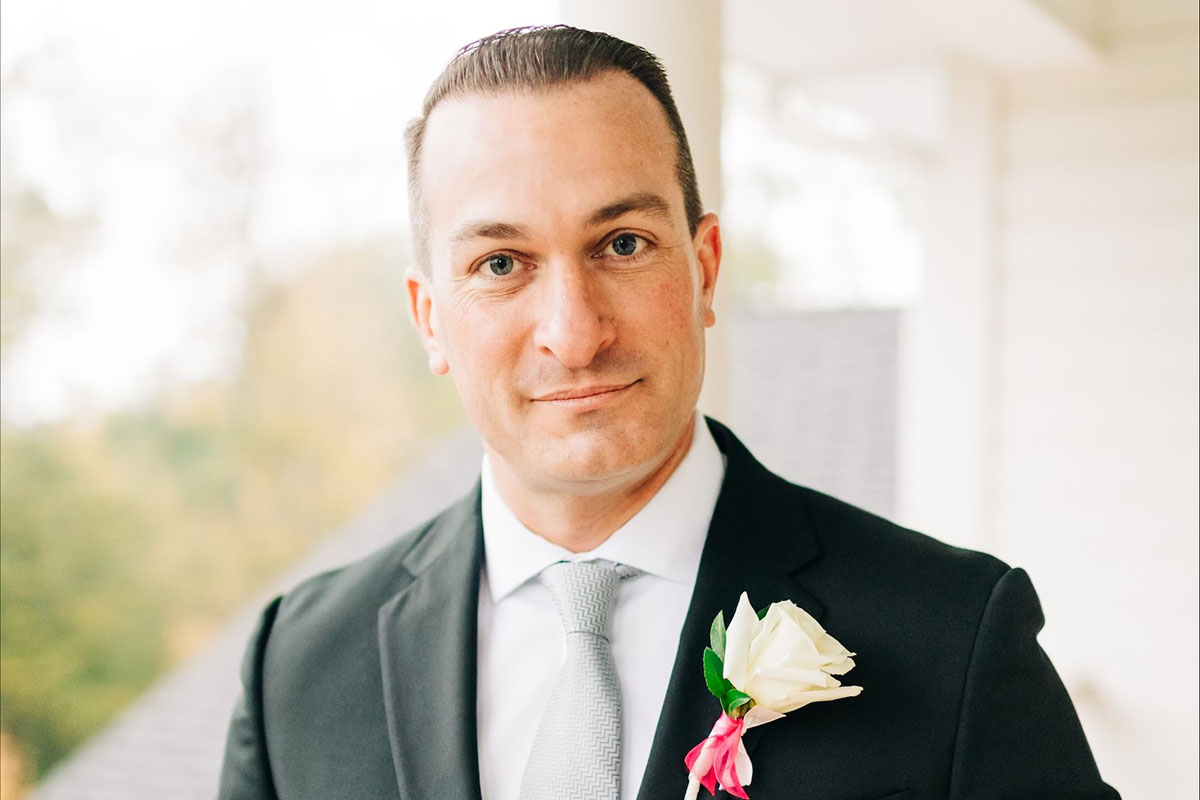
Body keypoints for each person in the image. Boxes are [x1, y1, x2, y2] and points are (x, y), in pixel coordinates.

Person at [218, 25, 1119, 800]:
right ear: (429, 318)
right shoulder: (295, 667)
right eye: (501, 264)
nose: (575, 334)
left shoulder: (954, 639)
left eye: (622, 244)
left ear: (705, 269)